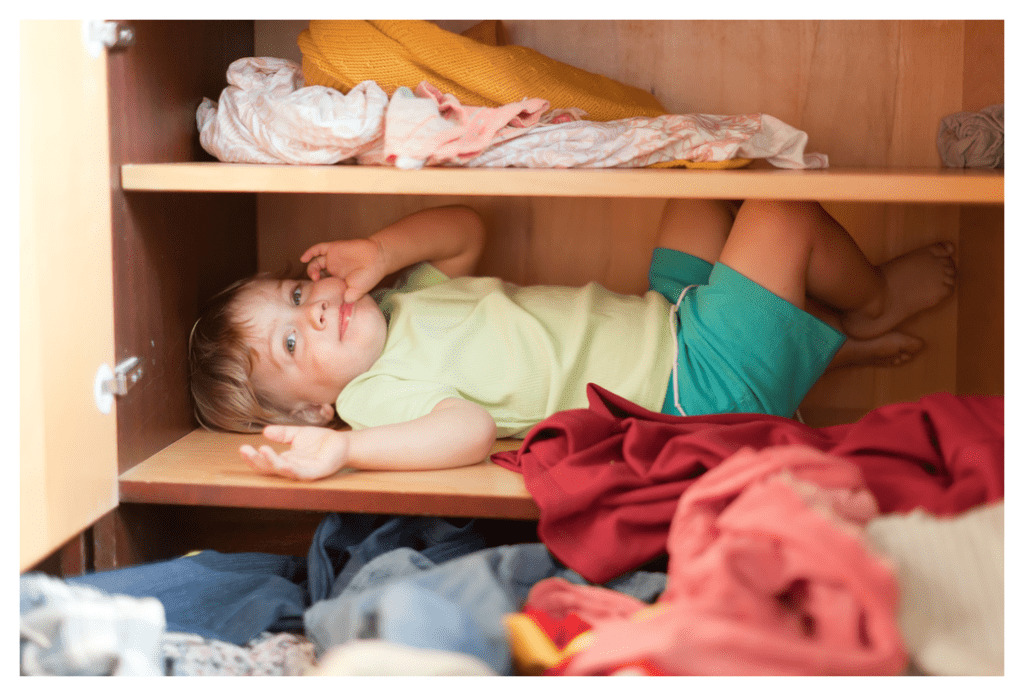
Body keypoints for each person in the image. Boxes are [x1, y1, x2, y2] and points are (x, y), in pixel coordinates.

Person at [188, 200, 956, 480]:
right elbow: (471, 431)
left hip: (669, 319)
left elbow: (467, 230)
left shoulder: (401, 298)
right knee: (780, 214)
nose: (316, 310)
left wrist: (381, 251)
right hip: (691, 388)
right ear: (316, 413)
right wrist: (349, 453)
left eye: (297, 294)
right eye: (292, 344)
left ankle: (808, 343)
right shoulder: (373, 398)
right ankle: (869, 307)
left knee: (695, 190)